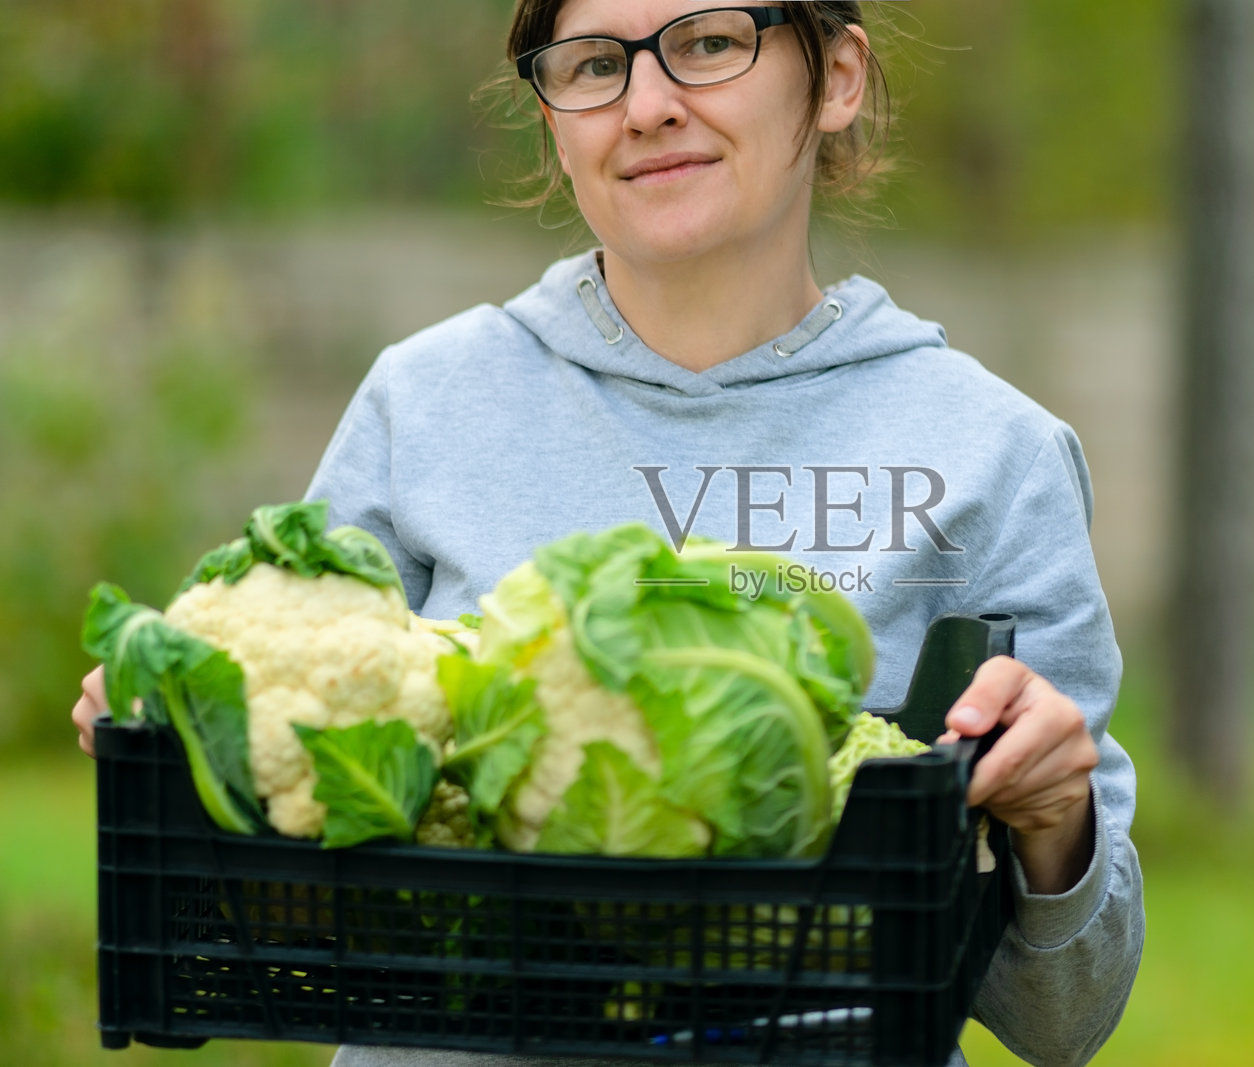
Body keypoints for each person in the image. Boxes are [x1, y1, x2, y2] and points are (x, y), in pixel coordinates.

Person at [73, 2, 1144, 1064]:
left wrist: (1056, 825)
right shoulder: (426, 401)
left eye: (709, 44)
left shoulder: (989, 449)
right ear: (553, 121)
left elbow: (1064, 1018)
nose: (645, 105)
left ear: (838, 78)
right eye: (592, 65)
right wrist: (179, 750)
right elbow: (279, 910)